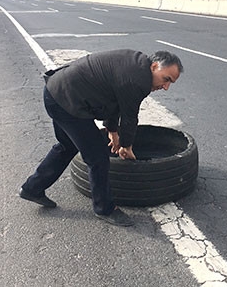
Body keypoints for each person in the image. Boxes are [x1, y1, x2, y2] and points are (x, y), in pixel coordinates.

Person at [19, 49, 183, 227]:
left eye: (171, 83)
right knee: (97, 157)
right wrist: (126, 146)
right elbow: (129, 116)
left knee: (67, 146)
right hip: (68, 102)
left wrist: (112, 131)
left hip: (56, 93)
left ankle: (32, 188)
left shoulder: (136, 64)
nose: (166, 87)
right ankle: (104, 208)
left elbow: (116, 100)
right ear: (154, 66)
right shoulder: (139, 80)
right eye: (166, 79)